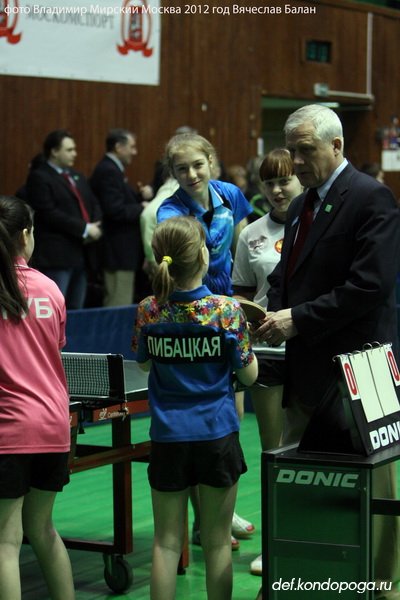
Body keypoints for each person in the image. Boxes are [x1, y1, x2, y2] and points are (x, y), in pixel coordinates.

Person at [256, 104, 400, 599]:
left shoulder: (371, 198)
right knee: (304, 477)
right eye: (291, 149)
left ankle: (381, 583)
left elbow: (369, 287)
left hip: (362, 370)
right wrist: (270, 316)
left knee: (375, 486)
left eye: (305, 150)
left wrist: (297, 319)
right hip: (306, 367)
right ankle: (309, 575)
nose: (294, 161)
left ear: (336, 146)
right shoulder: (301, 206)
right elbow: (285, 278)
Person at [132, 216, 258, 600]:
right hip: (216, 435)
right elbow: (250, 377)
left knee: (167, 544)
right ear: (204, 255)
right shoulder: (224, 312)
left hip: (169, 436)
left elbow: (143, 363)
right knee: (218, 543)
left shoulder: (149, 311)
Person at [157, 132, 255, 548]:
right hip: (191, 318)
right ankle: (205, 524)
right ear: (173, 173)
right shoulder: (170, 211)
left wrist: (245, 297)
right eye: (182, 169)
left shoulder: (231, 195)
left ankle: (217, 514)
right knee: (201, 422)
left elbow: (245, 244)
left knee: (226, 419)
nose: (192, 174)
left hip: (228, 315)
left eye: (198, 164)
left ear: (211, 160)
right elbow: (177, 265)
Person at [231, 148, 303, 577]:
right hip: (269, 358)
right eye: (269, 182)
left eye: (285, 180)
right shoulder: (250, 235)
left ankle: (309, 536)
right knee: (275, 453)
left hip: (312, 354)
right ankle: (276, 542)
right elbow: (241, 295)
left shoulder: (321, 227)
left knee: (312, 454)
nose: (277, 190)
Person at [0, 196, 75, 600]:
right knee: (43, 529)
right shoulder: (51, 289)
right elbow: (55, 348)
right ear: (26, 235)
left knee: (4, 542)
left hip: (8, 431)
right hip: (52, 428)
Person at [26, 129, 102, 309]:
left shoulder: (77, 176)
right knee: (56, 308)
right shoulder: (40, 176)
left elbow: (93, 202)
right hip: (57, 256)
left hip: (82, 254)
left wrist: (96, 225)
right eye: (69, 150)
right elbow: (48, 213)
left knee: (77, 310)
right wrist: (84, 228)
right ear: (54, 151)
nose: (74, 153)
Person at [90, 128, 150, 307]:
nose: (135, 152)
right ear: (118, 147)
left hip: (122, 252)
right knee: (118, 304)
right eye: (132, 147)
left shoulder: (113, 169)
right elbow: (114, 209)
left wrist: (138, 198)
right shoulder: (109, 170)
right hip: (117, 252)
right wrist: (141, 208)